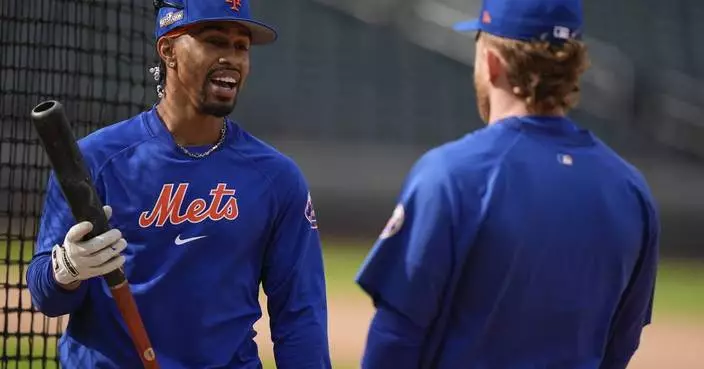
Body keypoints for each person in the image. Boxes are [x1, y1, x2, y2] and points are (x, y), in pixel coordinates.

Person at [354, 0, 660, 368]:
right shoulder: (631, 190)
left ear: (492, 62)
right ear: (575, 67)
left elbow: (395, 337)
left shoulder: (451, 175)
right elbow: (620, 344)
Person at [26, 0, 332, 368]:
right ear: (168, 50)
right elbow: (48, 298)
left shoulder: (277, 179)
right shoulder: (95, 161)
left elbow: (301, 319)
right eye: (215, 41)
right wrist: (68, 269)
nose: (231, 58)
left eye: (241, 47)